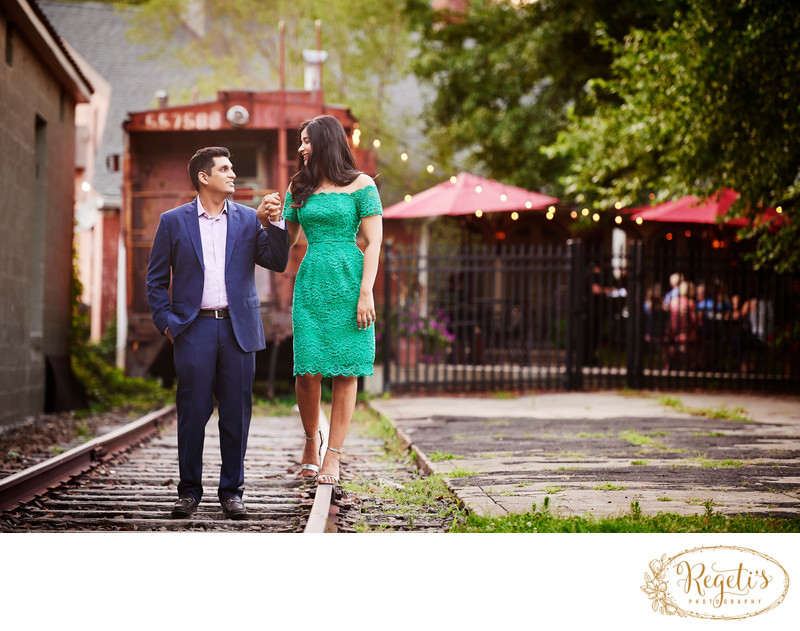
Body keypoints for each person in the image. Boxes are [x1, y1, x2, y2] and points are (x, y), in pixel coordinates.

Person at [146, 146, 290, 519]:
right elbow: (156, 281)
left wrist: (274, 223)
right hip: (192, 329)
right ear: (203, 178)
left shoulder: (246, 219)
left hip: (238, 329)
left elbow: (275, 260)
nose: (232, 174)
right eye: (225, 169)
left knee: (236, 414)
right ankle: (189, 491)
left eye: (232, 168)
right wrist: (167, 323)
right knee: (192, 412)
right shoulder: (172, 222)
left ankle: (232, 492)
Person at [282, 115, 383, 486]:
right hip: (311, 283)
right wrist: (269, 220)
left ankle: (333, 455)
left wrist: (366, 292)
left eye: (307, 141)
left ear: (325, 141)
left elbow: (373, 242)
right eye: (300, 142)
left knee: (346, 371)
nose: (301, 148)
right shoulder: (300, 185)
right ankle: (311, 440)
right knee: (307, 369)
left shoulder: (362, 185)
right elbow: (288, 241)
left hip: (351, 281)